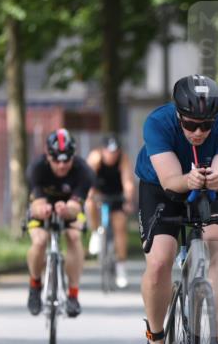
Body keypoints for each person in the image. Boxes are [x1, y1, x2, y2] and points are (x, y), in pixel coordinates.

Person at [136, 75, 218, 344]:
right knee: (159, 260)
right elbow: (171, 180)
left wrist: (215, 180)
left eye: (205, 125)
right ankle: (156, 341)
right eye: (190, 124)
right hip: (161, 187)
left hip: (210, 186)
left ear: (216, 119)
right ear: (177, 115)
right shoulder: (158, 122)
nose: (198, 132)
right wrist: (189, 180)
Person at [25, 128, 94, 318]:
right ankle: (35, 285)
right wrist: (43, 209)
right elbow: (37, 203)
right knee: (39, 241)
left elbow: (77, 206)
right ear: (48, 156)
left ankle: (73, 295)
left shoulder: (84, 171)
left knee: (73, 236)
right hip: (42, 205)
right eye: (56, 160)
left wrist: (67, 209)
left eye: (66, 159)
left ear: (74, 156)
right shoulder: (36, 168)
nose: (62, 165)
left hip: (70, 207)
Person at [86, 135, 136, 288]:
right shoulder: (95, 158)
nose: (112, 156)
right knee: (89, 203)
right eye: (109, 152)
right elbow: (87, 180)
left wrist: (128, 200)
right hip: (99, 192)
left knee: (120, 226)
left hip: (116, 194)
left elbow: (128, 182)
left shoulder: (123, 159)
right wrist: (90, 194)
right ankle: (95, 232)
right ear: (103, 150)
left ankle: (121, 266)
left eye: (115, 153)